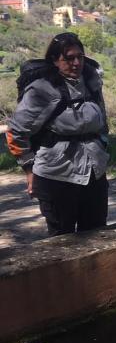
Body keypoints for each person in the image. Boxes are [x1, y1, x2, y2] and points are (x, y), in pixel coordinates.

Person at [7, 32, 109, 236]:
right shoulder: (42, 90)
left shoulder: (91, 82)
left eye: (79, 56)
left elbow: (102, 122)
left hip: (94, 173)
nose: (76, 63)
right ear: (55, 60)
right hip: (57, 176)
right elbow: (16, 131)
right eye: (69, 58)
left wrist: (103, 147)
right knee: (63, 240)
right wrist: (29, 171)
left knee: (97, 235)